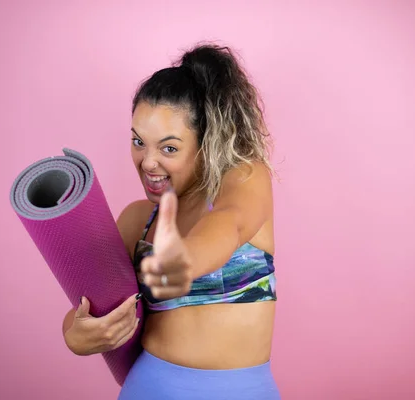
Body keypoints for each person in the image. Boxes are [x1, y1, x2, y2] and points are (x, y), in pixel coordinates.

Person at [61, 43, 280, 399]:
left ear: (204, 144)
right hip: (147, 388)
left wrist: (186, 258)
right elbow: (91, 305)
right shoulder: (137, 221)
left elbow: (230, 223)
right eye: (138, 142)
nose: (147, 162)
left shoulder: (244, 178)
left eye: (169, 148)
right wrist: (75, 334)